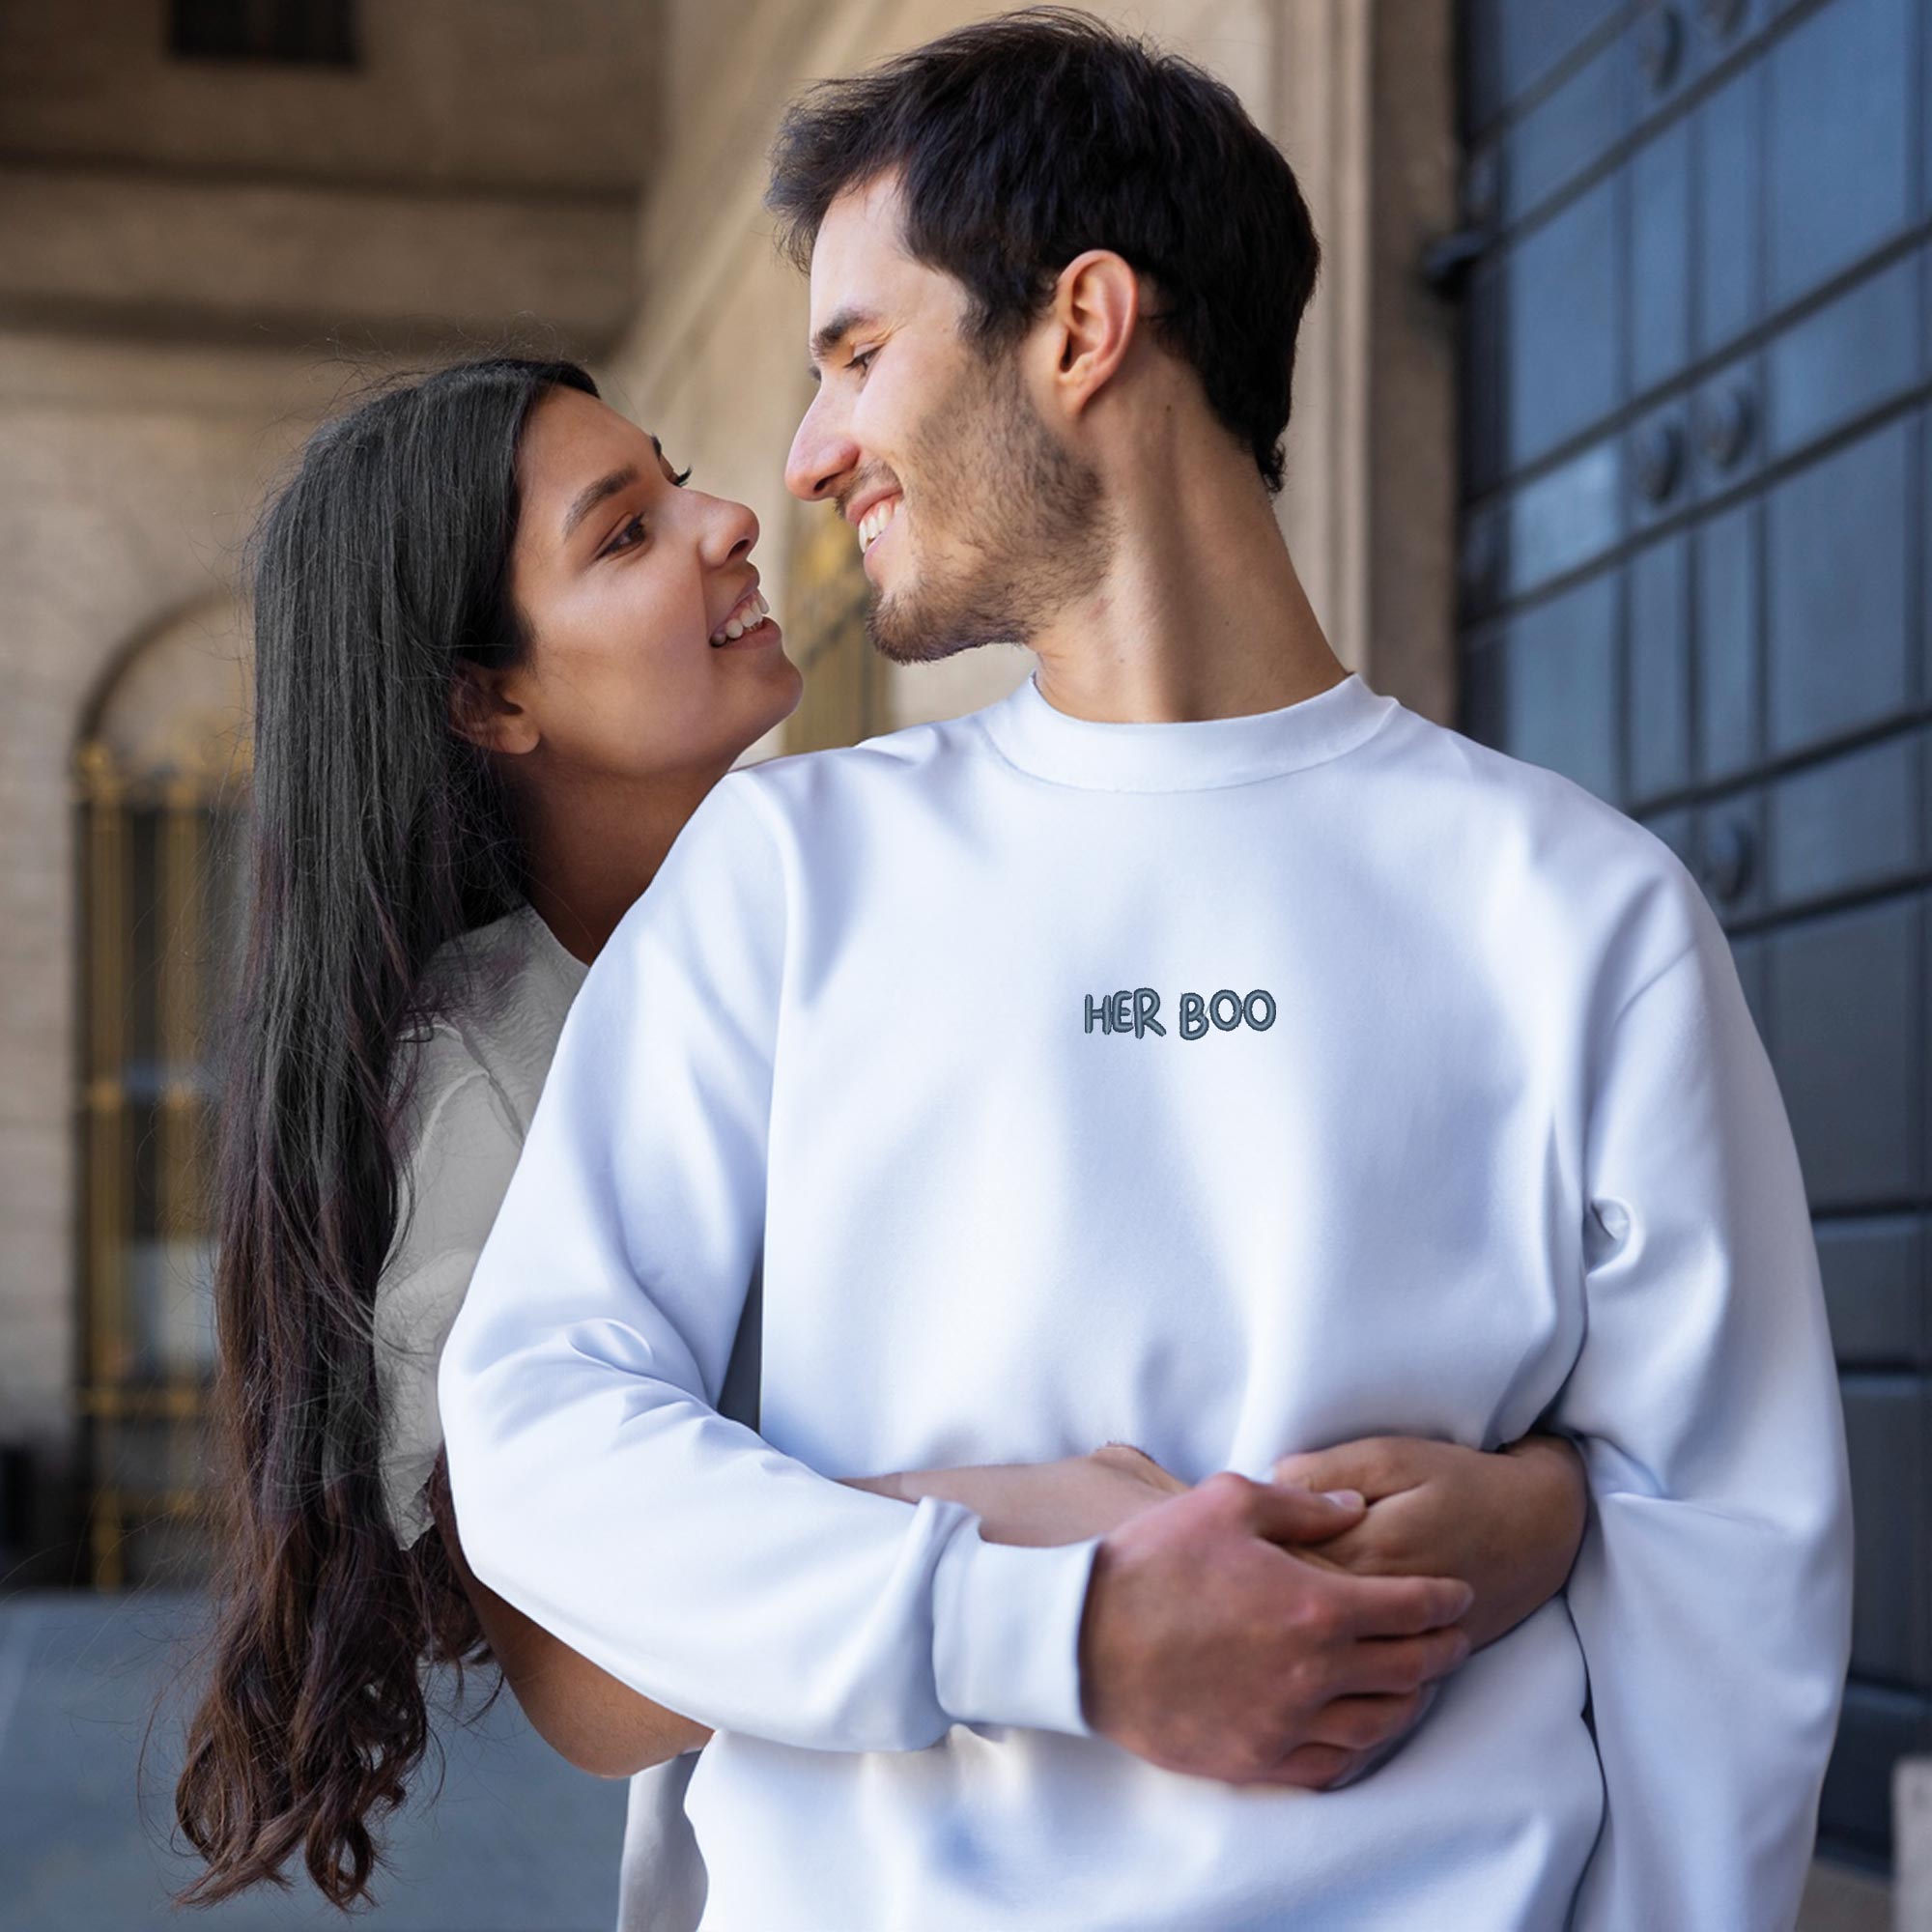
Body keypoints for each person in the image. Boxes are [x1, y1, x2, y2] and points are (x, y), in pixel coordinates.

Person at [438, 11, 1855, 1930]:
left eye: (859, 352)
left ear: (1081, 325)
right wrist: (1055, 1627)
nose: (808, 451)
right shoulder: (784, 875)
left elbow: (1733, 1575)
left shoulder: (1575, 909)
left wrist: (1567, 1502)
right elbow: (535, 1438)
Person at [169, 354, 1589, 1922]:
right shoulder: (490, 1074)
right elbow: (587, 1685)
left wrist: (1535, 1503)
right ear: (490, 698)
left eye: (676, 475)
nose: (728, 520)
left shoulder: (885, 887)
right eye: (623, 535)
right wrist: (1016, 1537)